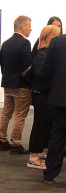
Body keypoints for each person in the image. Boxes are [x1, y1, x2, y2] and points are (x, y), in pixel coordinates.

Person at [0, 15, 33, 155]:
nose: (31, 30)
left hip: (8, 84)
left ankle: (2, 141)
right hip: (21, 86)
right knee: (19, 115)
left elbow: (2, 64)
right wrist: (30, 84)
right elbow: (28, 67)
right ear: (23, 27)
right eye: (29, 27)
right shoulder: (25, 43)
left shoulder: (5, 43)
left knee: (6, 113)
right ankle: (16, 144)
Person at [26, 25, 60, 169]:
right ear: (48, 37)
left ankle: (39, 153)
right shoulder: (42, 54)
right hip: (41, 95)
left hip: (45, 95)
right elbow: (41, 75)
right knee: (40, 126)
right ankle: (33, 157)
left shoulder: (45, 54)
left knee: (45, 125)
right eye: (56, 35)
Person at [40, 31, 66, 184]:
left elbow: (45, 70)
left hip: (59, 97)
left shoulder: (56, 42)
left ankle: (49, 174)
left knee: (58, 135)